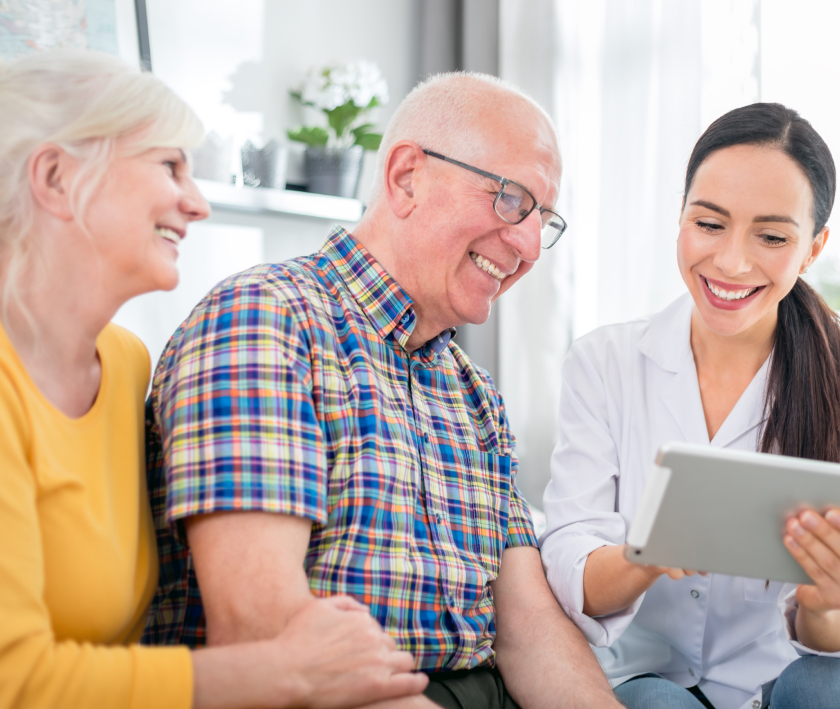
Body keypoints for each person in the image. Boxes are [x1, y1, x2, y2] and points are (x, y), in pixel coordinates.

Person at [143, 72, 622, 709]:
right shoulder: (267, 321)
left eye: (544, 219)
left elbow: (530, 629)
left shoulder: (472, 391)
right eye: (511, 200)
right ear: (406, 178)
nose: (530, 245)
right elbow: (261, 632)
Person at [0, 49, 427, 709]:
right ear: (56, 178)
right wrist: (287, 668)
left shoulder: (123, 366)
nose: (197, 204)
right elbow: (18, 681)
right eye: (169, 166)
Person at [540, 102, 840, 709]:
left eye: (773, 236)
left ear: (813, 248)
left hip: (788, 674)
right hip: (648, 673)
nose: (731, 261)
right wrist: (648, 555)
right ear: (680, 216)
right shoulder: (605, 363)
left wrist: (825, 602)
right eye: (710, 224)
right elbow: (573, 568)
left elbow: (822, 645)